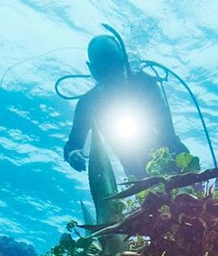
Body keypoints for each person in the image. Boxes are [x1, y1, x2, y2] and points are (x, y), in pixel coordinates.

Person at [63, 33, 189, 180]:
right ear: (92, 69)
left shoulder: (145, 83)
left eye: (113, 64)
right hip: (138, 173)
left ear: (123, 60)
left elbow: (166, 130)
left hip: (177, 161)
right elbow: (72, 145)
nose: (110, 73)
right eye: (104, 68)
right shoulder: (87, 104)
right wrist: (73, 155)